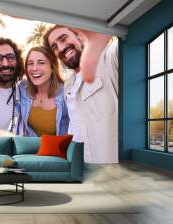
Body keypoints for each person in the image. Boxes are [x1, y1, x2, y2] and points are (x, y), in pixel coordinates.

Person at [44, 25, 118, 164]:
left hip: (108, 167)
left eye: (64, 39)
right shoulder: (68, 85)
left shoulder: (108, 59)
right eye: (54, 46)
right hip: (79, 165)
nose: (60, 48)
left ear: (79, 35)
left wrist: (107, 34)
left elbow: (125, 46)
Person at [18, 46, 69, 137]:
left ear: (52, 67)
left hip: (58, 149)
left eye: (41, 63)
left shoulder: (67, 94)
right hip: (31, 148)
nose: (34, 68)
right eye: (30, 63)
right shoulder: (22, 88)